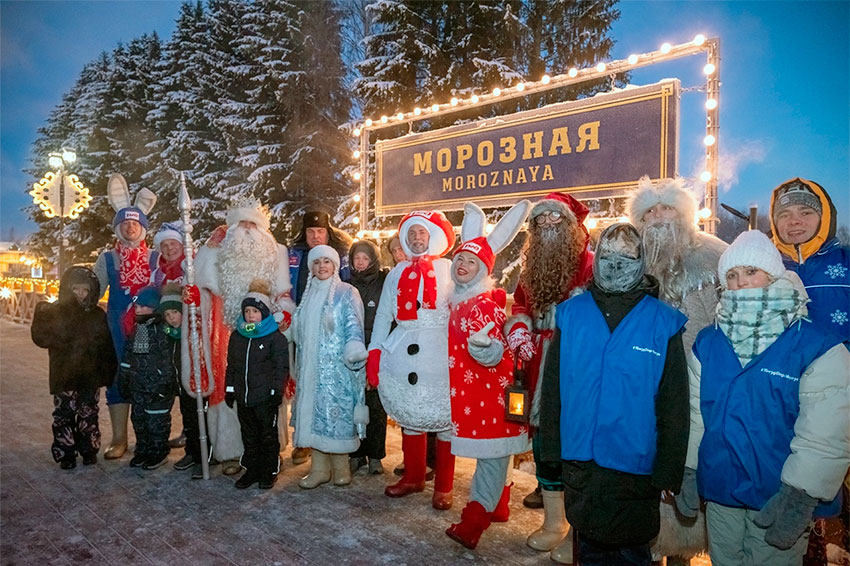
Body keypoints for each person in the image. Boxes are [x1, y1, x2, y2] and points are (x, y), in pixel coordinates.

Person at [677, 230, 850, 566]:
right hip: (721, 488)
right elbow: (697, 415)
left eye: (751, 272)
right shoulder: (708, 342)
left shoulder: (816, 345)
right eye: (731, 275)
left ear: (774, 275)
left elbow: (828, 430)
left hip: (778, 495)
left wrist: (802, 493)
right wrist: (688, 468)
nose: (741, 282)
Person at [539, 223, 689, 566]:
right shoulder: (571, 314)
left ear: (641, 260)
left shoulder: (663, 322)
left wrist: (669, 469)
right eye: (607, 255)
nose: (615, 264)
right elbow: (552, 389)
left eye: (626, 256)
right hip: (581, 462)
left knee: (632, 551)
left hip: (634, 467)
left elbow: (674, 403)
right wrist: (549, 447)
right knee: (588, 548)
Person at [627, 175, 727, 564]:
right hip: (645, 384)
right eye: (648, 212)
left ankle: (682, 553)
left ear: (683, 213)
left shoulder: (714, 256)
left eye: (666, 208)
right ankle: (651, 543)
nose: (657, 218)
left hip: (699, 384)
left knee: (689, 464)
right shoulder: (632, 263)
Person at [504, 192, 593, 562]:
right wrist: (520, 328)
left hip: (575, 360)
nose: (547, 226)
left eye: (554, 219)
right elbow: (521, 303)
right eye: (540, 221)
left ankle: (579, 527)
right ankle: (554, 522)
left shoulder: (590, 262)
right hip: (540, 360)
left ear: (571, 224)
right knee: (543, 442)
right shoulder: (532, 265)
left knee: (575, 439)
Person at [184, 198, 295, 476]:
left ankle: (269, 452)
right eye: (241, 223)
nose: (247, 229)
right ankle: (232, 451)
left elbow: (283, 294)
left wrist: (284, 314)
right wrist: (195, 296)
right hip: (226, 332)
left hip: (266, 335)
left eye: (252, 224)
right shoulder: (216, 251)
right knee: (229, 389)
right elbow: (201, 288)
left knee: (266, 390)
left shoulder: (276, 251)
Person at [444, 201, 531, 550]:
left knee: (492, 456)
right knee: (495, 454)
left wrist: (486, 349)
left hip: (490, 394)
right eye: (460, 260)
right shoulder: (460, 300)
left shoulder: (481, 304)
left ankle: (474, 521)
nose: (463, 266)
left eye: (471, 262)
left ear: (484, 269)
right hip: (473, 394)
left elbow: (497, 349)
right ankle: (500, 506)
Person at [367, 210, 458, 509]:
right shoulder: (395, 273)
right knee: (411, 417)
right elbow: (383, 315)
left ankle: (444, 485)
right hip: (403, 349)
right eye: (411, 234)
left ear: (433, 236)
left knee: (445, 419)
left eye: (422, 233)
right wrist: (375, 352)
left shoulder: (449, 267)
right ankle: (414, 476)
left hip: (440, 352)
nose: (417, 239)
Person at [290, 245, 368, 489]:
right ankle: (319, 469)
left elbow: (353, 324)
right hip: (310, 368)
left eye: (327, 261)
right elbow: (299, 329)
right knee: (314, 416)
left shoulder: (346, 292)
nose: (321, 266)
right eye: (316, 262)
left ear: (335, 265)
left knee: (336, 416)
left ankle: (341, 468)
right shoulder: (308, 293)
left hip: (337, 370)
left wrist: (354, 347)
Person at [93, 174, 158, 460]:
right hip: (117, 329)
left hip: (145, 328)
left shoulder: (155, 257)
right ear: (118, 228)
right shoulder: (108, 259)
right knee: (118, 377)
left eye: (135, 223)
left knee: (147, 378)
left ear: (143, 228)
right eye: (125, 223)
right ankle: (119, 438)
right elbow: (92, 292)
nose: (131, 227)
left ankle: (150, 437)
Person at [31, 266, 117, 470]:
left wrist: (108, 370)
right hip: (64, 374)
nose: (80, 294)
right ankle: (65, 452)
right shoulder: (56, 313)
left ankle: (89, 449)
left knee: (88, 412)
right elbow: (41, 338)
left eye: (84, 289)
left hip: (89, 374)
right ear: (68, 289)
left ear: (91, 291)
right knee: (64, 414)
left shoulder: (96, 314)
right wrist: (41, 315)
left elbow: (105, 344)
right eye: (76, 289)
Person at [287, 208, 352, 466]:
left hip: (330, 334)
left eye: (320, 231)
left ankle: (329, 444)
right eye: (311, 232)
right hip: (302, 328)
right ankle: (303, 440)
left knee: (329, 388)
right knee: (302, 383)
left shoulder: (339, 258)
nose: (315, 236)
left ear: (328, 232)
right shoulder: (294, 256)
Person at [224, 280, 289, 489]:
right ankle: (251, 469)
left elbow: (281, 368)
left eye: (255, 311)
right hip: (244, 396)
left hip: (264, 397)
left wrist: (276, 391)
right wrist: (230, 389)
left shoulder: (274, 338)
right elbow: (232, 365)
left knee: (267, 435)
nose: (251, 315)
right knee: (249, 435)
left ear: (265, 313)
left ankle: (268, 470)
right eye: (248, 311)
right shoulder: (238, 336)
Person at [770, 177, 849, 338]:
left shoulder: (846, 261)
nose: (794, 221)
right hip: (781, 363)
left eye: (805, 212)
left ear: (823, 217)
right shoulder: (760, 269)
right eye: (784, 215)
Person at [118, 286, 177, 470]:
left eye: (145, 306)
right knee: (139, 418)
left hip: (157, 386)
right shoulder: (138, 329)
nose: (139, 310)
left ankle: (158, 452)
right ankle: (143, 449)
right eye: (137, 307)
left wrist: (166, 382)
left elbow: (168, 358)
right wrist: (125, 375)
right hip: (138, 384)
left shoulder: (162, 330)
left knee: (156, 421)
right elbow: (129, 354)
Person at [347, 240, 390, 475]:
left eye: (365, 258)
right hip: (352, 351)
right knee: (354, 403)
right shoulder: (346, 283)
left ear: (373, 259)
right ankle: (356, 453)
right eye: (357, 258)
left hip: (376, 349)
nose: (361, 262)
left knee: (375, 405)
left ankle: (375, 455)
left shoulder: (383, 282)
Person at [150, 222, 185, 288]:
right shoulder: (156, 275)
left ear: (181, 245)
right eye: (164, 245)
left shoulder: (193, 267)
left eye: (173, 243)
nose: (169, 248)